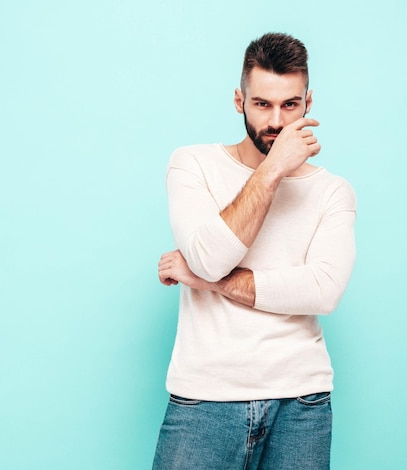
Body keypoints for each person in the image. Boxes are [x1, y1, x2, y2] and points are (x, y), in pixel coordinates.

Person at [152, 33, 356, 470]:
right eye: (262, 104)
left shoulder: (333, 192)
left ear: (309, 103)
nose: (277, 121)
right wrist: (274, 168)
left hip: (301, 402)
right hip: (206, 398)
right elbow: (210, 256)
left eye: (290, 105)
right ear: (239, 100)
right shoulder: (193, 164)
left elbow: (323, 291)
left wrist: (203, 280)